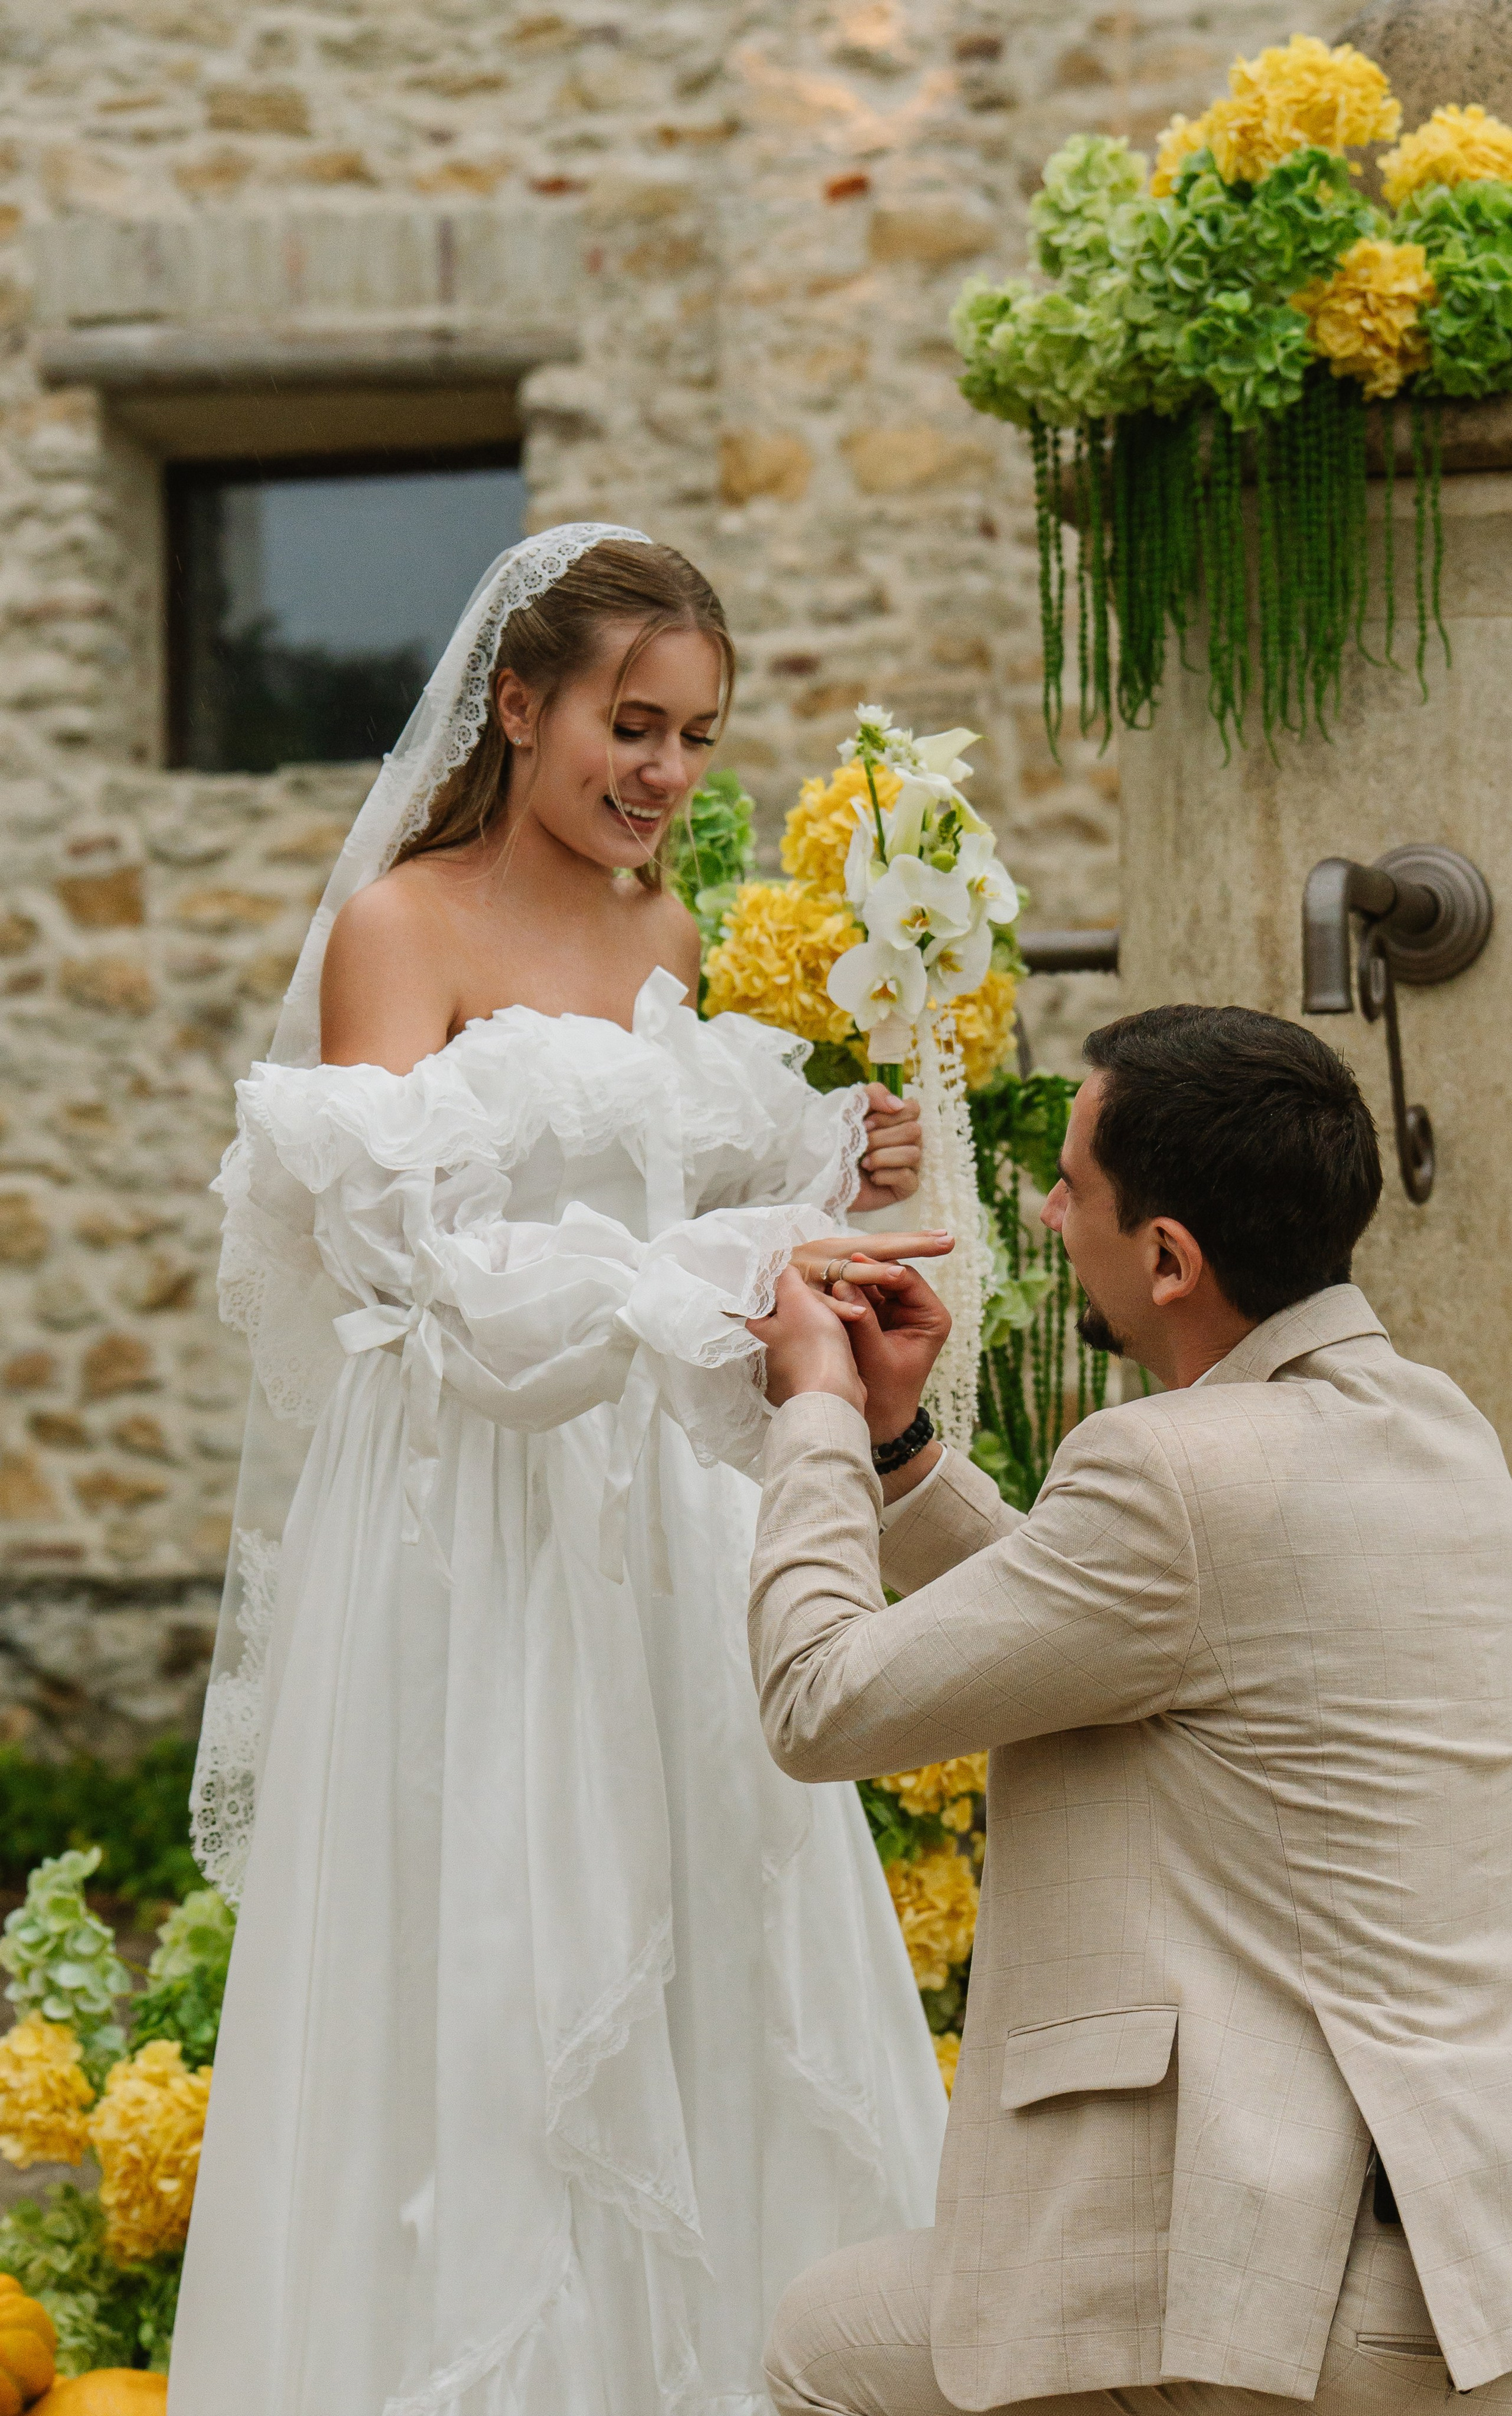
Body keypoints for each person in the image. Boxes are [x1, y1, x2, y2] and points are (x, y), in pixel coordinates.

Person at [170, 525, 951, 2416]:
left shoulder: (671, 937)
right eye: (632, 723)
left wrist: (828, 1175)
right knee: (500, 1950)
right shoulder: (405, 927)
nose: (665, 772)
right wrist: (718, 1272)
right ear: (518, 705)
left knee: (700, 1938)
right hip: (470, 1502)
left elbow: (678, 1208)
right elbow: (410, 1262)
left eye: (695, 735)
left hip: (664, 1519)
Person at [745, 1002, 1512, 2416]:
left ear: (1167, 1257)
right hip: (1462, 2266)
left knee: (819, 2345)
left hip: (1276, 2282)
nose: (1044, 1213)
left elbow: (816, 1702)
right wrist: (901, 1445)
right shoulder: (1443, 1433)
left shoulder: (1163, 1467)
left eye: (1071, 1186)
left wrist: (812, 1414)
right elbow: (1118, 1628)